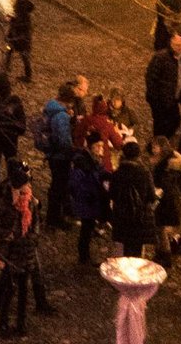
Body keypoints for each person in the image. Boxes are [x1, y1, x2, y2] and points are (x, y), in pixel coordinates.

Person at [0, 164, 56, 336]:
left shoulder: (30, 202)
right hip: (11, 253)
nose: (28, 188)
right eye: (25, 186)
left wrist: (33, 239)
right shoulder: (5, 204)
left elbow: (35, 223)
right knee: (9, 289)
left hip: (26, 251)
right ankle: (3, 323)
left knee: (23, 291)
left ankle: (21, 324)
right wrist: (7, 235)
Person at [108, 141, 158, 259]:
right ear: (138, 155)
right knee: (136, 249)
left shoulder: (117, 173)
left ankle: (121, 271)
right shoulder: (144, 173)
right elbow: (151, 196)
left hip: (121, 216)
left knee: (121, 246)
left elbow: (112, 194)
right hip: (139, 217)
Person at [0, 72, 29, 202]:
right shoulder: (12, 102)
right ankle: (8, 197)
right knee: (6, 169)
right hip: (8, 141)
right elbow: (22, 126)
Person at [39, 83, 78, 229]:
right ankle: (54, 218)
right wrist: (73, 151)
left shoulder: (52, 107)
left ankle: (53, 217)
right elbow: (64, 141)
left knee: (56, 185)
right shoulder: (61, 116)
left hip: (52, 153)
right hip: (60, 157)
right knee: (59, 187)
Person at [144, 32, 181, 143]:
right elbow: (151, 78)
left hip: (173, 100)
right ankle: (157, 146)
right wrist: (154, 98)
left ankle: (164, 142)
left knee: (175, 121)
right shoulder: (160, 57)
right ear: (171, 45)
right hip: (160, 100)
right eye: (178, 45)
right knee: (160, 126)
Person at [69, 139, 110, 268]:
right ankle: (84, 257)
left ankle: (85, 256)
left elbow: (100, 172)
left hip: (91, 201)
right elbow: (75, 184)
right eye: (97, 146)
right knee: (86, 229)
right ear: (91, 147)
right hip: (87, 201)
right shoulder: (83, 163)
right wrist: (90, 193)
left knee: (88, 228)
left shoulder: (94, 160)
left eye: (101, 146)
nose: (101, 149)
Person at [148, 134, 181, 256]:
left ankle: (165, 254)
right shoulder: (166, 160)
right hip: (168, 198)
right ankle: (166, 249)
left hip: (166, 199)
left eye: (156, 147)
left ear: (162, 147)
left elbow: (165, 184)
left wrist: (156, 192)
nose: (153, 149)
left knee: (161, 227)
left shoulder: (166, 164)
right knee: (162, 227)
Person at [3, 0, 35, 84]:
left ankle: (28, 76)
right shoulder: (20, 14)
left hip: (23, 41)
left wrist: (12, 37)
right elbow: (15, 24)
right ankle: (6, 69)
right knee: (9, 51)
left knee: (24, 57)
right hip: (16, 39)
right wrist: (12, 20)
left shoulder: (25, 16)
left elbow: (23, 28)